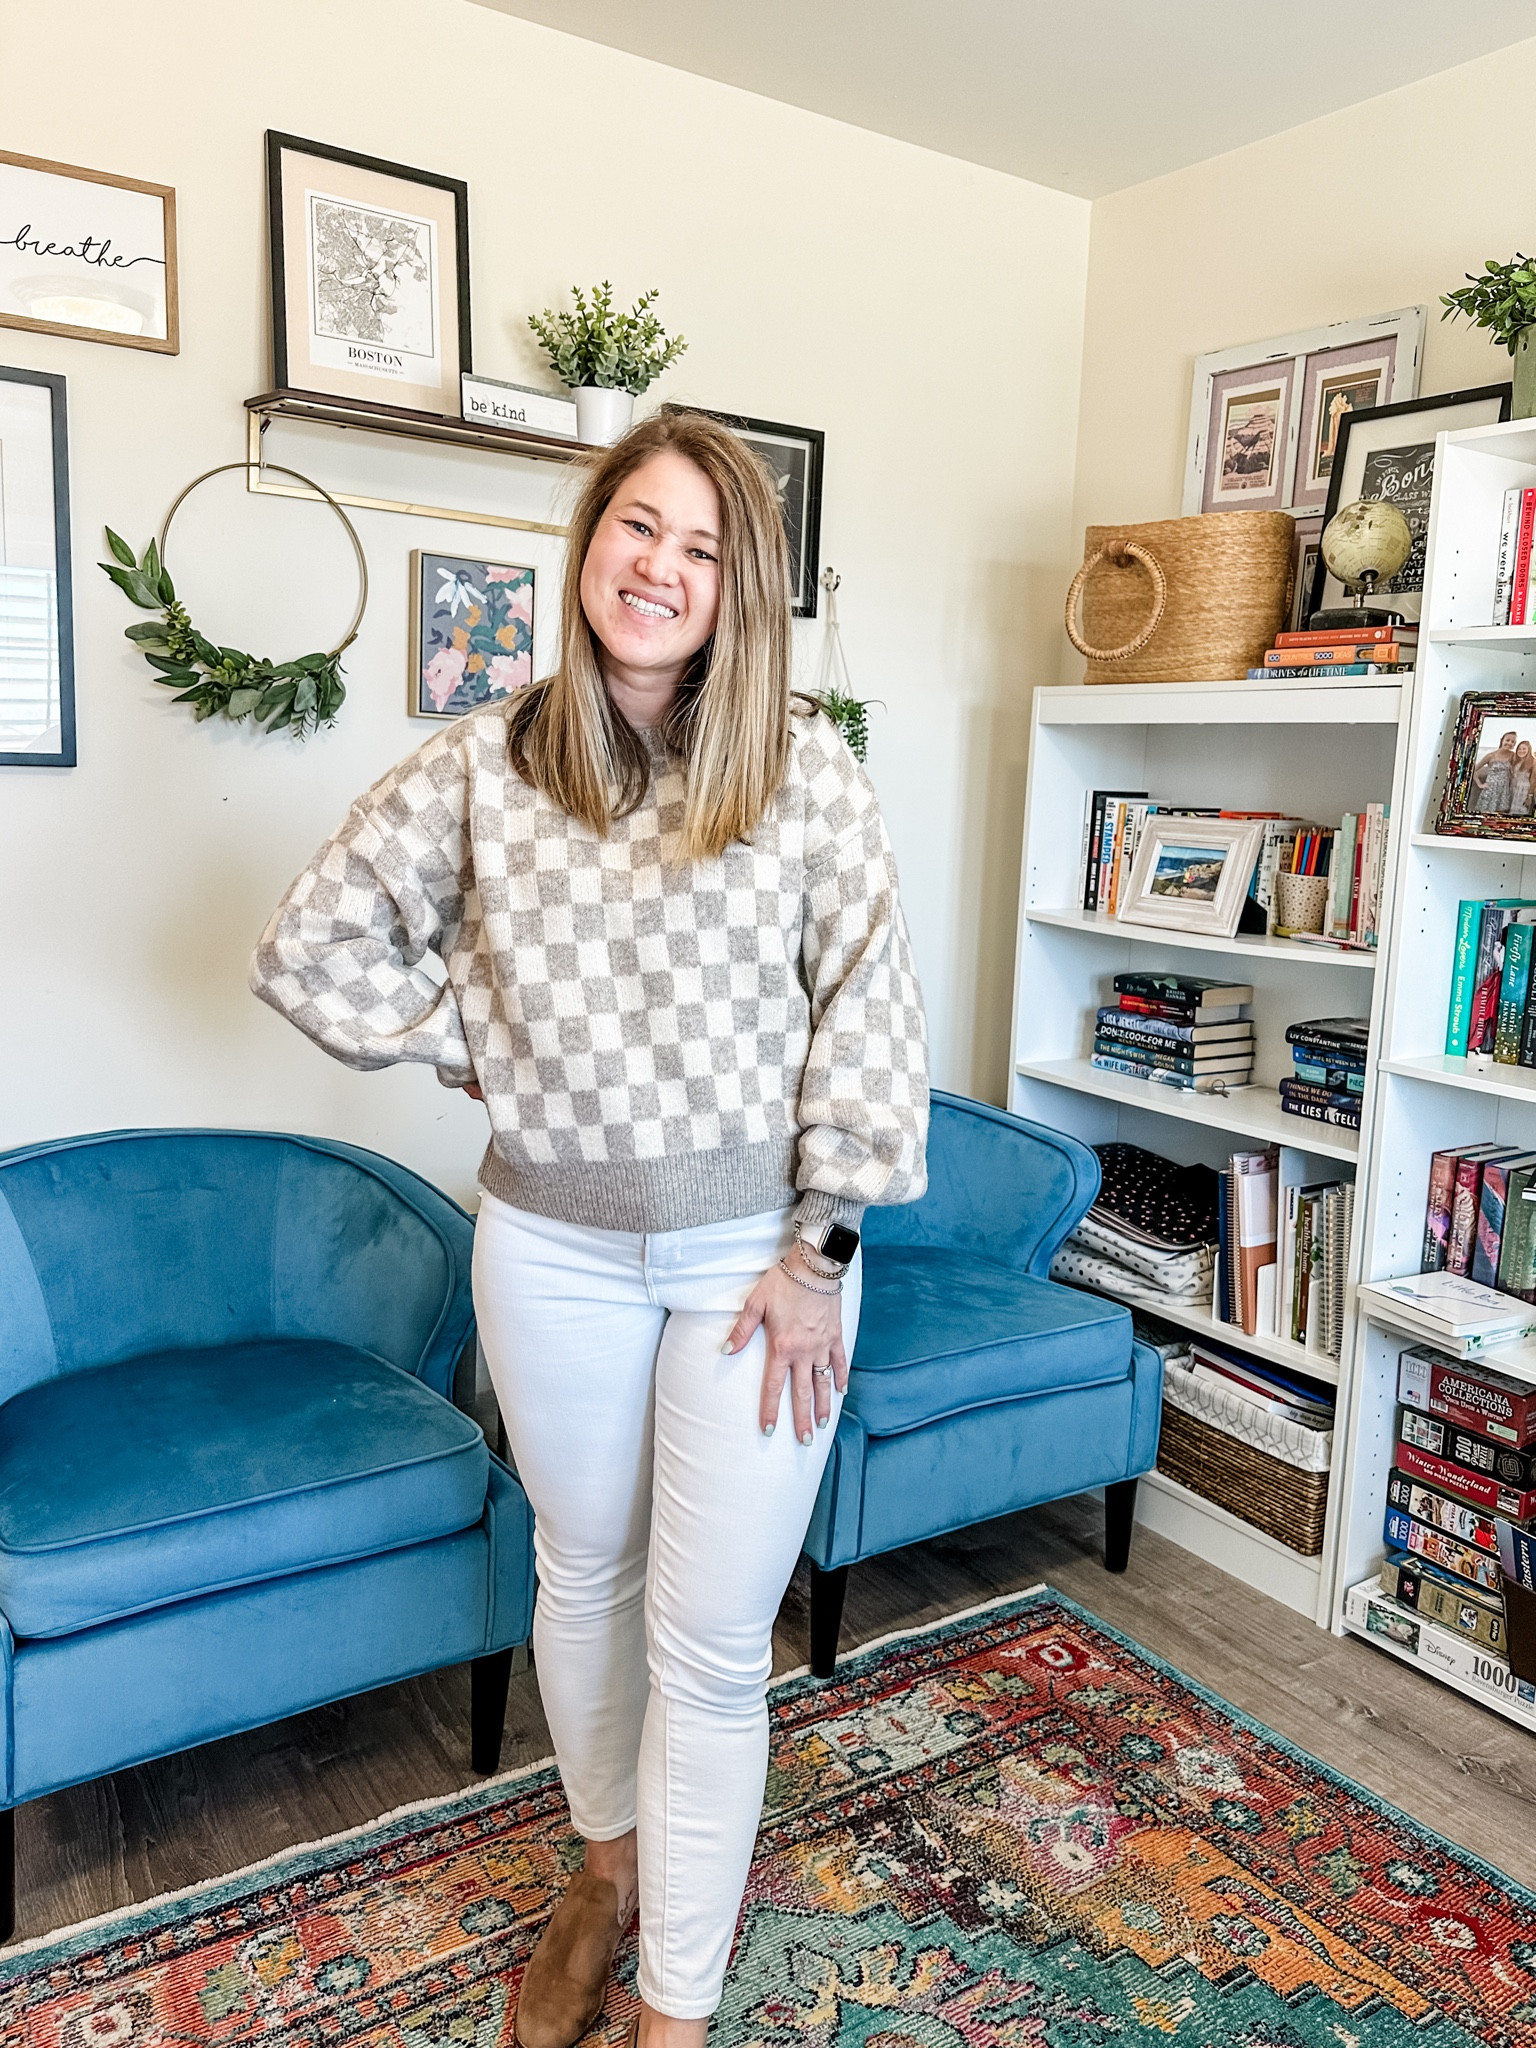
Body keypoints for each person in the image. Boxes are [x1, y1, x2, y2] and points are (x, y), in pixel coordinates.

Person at [250, 411, 929, 2048]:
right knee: (582, 1569)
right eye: (640, 526)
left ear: (737, 591)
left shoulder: (805, 772)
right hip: (548, 1251)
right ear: (589, 542)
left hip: (754, 1267)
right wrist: (470, 1039)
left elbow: (870, 1013)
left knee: (711, 1643)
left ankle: (675, 2012)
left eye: (703, 547)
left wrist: (822, 1250)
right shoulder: (480, 764)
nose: (661, 567)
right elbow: (308, 946)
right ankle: (604, 1863)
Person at [1473, 728, 1519, 814]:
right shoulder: (1491, 756)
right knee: (1485, 815)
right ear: (1502, 740)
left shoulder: (1513, 756)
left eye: (1513, 742)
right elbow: (1473, 770)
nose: (1509, 743)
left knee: (1500, 817)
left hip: (1504, 791)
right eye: (1507, 740)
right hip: (1490, 789)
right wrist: (1479, 784)